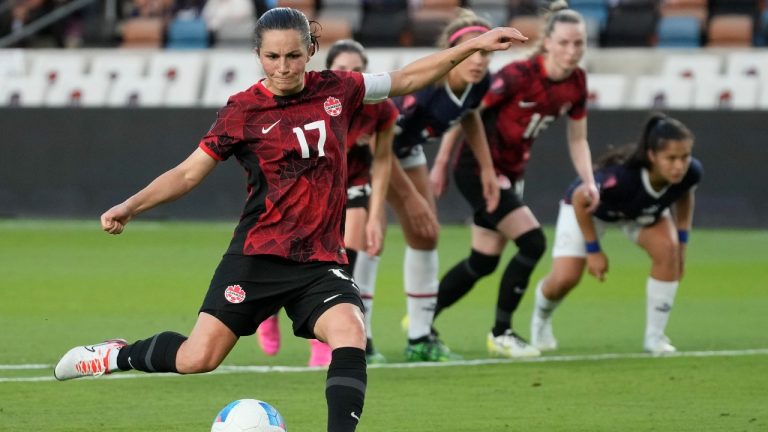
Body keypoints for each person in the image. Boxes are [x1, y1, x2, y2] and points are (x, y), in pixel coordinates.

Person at [52, 7, 527, 432]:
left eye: (294, 56)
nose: (283, 68)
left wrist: (472, 45)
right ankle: (114, 355)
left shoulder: (340, 89)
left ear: (311, 52)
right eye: (273, 57)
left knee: (350, 333)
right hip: (258, 256)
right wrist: (130, 206)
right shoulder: (242, 111)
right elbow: (187, 173)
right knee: (199, 358)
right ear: (258, 55)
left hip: (320, 259)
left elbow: (406, 79)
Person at [429, 0, 599, 358]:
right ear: (548, 42)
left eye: (579, 43)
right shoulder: (517, 76)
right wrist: (442, 162)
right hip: (477, 170)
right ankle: (502, 332)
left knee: (484, 260)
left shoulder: (577, 83)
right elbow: (467, 111)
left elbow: (578, 138)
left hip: (510, 174)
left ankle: (421, 319)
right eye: (565, 42)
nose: (572, 51)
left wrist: (590, 181)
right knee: (533, 242)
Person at [255, 39, 396, 367]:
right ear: (330, 70)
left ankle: (323, 339)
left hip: (353, 187)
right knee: (293, 260)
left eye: (358, 69)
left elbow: (384, 161)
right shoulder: (311, 101)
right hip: (307, 189)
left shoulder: (380, 108)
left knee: (345, 264)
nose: (351, 75)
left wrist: (377, 216)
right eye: (344, 69)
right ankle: (270, 310)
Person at [530, 113, 701, 355]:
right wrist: (593, 251)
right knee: (565, 279)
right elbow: (581, 198)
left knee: (668, 250)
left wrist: (682, 245)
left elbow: (685, 196)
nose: (679, 166)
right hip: (590, 210)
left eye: (684, 157)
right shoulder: (620, 178)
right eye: (671, 158)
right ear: (652, 155)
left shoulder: (690, 173)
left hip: (637, 212)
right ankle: (541, 320)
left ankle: (655, 338)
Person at [388, 9, 502, 362]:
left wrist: (486, 168)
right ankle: (362, 342)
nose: (479, 60)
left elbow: (469, 115)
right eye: (472, 50)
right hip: (365, 153)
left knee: (427, 235)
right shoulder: (423, 90)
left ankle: (419, 339)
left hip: (405, 151)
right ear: (452, 52)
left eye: (485, 51)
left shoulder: (477, 82)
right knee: (363, 240)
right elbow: (378, 147)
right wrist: (411, 197)